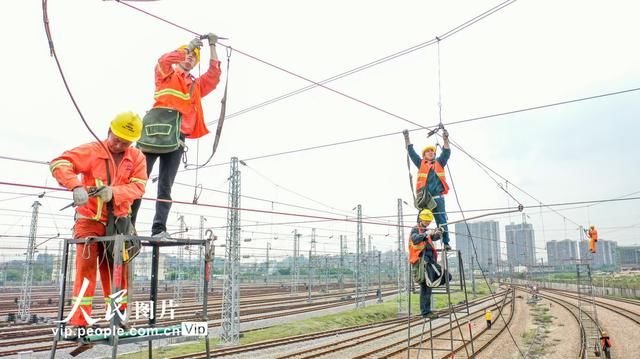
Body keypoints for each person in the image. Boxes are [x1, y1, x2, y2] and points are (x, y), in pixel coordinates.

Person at [50, 112, 147, 330]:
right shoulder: (92, 151)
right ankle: (79, 321)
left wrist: (113, 192)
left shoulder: (137, 157)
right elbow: (59, 163)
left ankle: (117, 318)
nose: (119, 144)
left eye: (125, 142)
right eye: (117, 138)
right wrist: (75, 185)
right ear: (109, 130)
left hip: (119, 222)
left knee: (115, 270)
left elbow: (139, 187)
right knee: (85, 269)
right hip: (89, 220)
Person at [131, 33, 222, 238]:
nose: (190, 58)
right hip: (153, 135)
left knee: (165, 186)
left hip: (176, 138)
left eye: (194, 57)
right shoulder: (165, 74)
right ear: (180, 55)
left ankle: (159, 229)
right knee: (138, 181)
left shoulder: (195, 86)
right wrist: (188, 48)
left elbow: (213, 76)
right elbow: (164, 60)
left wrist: (213, 46)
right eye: (188, 55)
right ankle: (128, 224)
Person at [403, 128, 452, 250]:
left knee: (441, 220)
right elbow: (411, 152)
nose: (431, 153)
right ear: (424, 155)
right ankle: (420, 240)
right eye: (428, 152)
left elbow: (446, 152)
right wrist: (406, 138)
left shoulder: (439, 163)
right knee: (422, 219)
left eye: (432, 151)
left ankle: (446, 243)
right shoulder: (420, 164)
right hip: (425, 199)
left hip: (438, 199)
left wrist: (445, 139)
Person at [409, 209, 443, 319]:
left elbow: (433, 237)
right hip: (421, 263)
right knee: (426, 287)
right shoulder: (415, 229)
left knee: (446, 276)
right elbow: (415, 239)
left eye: (429, 221)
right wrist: (425, 233)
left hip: (430, 262)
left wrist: (438, 233)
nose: (428, 223)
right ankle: (426, 311)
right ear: (421, 219)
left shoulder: (425, 230)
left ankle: (426, 310)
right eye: (426, 221)